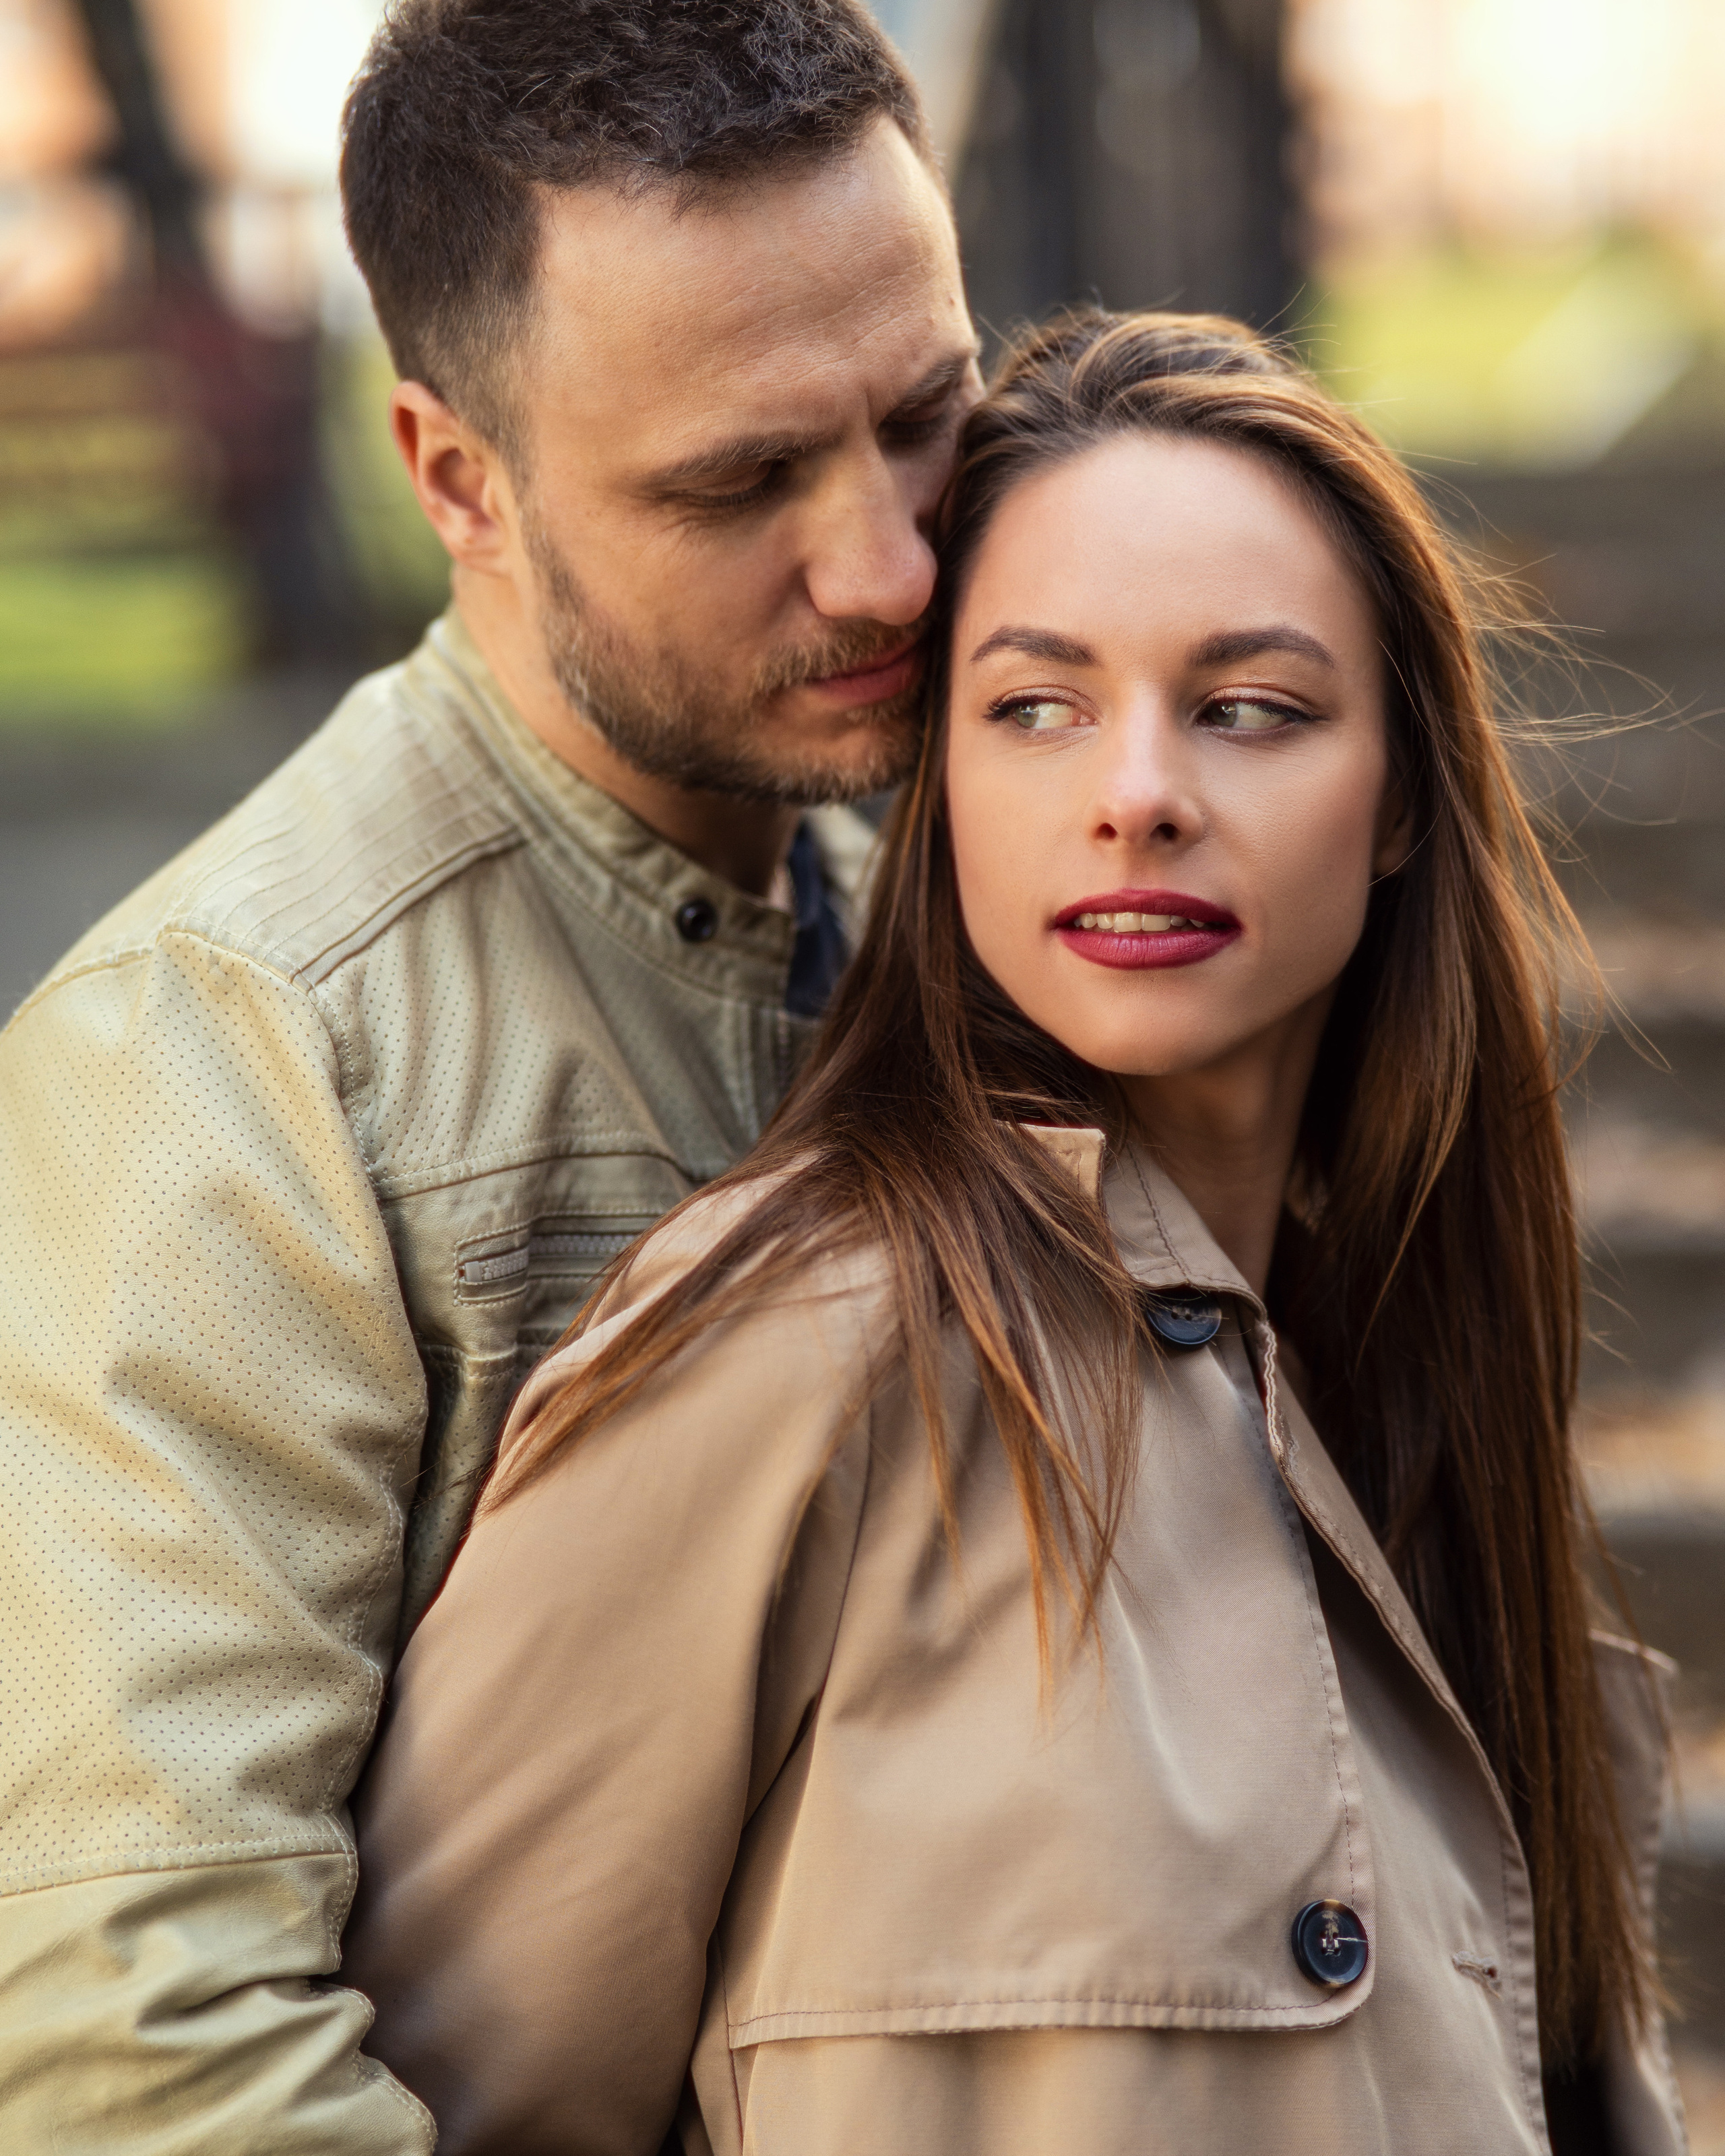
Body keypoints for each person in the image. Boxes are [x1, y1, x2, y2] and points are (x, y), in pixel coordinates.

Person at [344, 313, 1683, 2156]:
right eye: (1036, 708)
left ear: (1397, 804)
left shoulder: (1420, 1387)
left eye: (1252, 709)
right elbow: (445, 2104)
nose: (1138, 795)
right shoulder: (791, 1344)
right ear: (942, 786)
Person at [0, 3, 978, 2145]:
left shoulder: (979, 894)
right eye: (739, 481)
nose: (890, 563)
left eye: (926, 416)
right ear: (458, 478)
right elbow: (150, 2062)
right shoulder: (228, 1050)